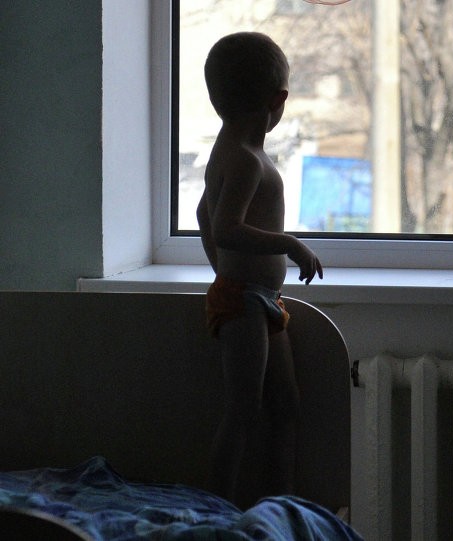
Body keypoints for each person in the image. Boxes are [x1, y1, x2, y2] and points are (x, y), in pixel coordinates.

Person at [196, 31, 323, 504]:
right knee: (244, 410)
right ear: (278, 100)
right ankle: (219, 511)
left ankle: (280, 502)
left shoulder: (231, 149)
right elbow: (226, 227)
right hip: (245, 301)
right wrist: (289, 244)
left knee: (285, 406)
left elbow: (203, 214)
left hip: (259, 300)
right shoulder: (246, 160)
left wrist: (222, 270)